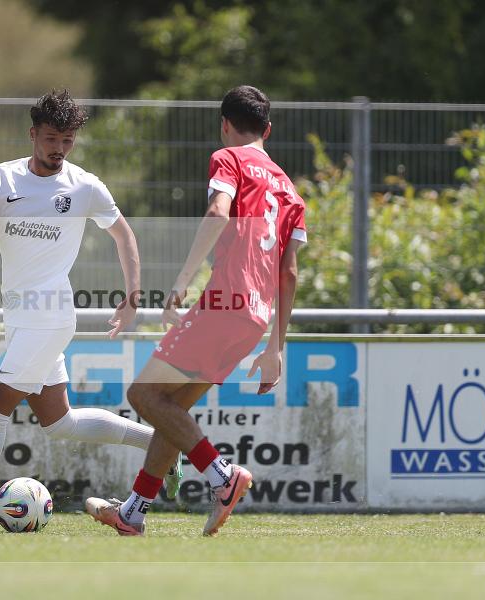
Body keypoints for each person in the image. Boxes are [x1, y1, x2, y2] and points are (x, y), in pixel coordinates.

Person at [0, 89, 180, 531]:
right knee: (60, 423)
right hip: (19, 318)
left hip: (50, 318)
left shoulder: (85, 186)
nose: (59, 149)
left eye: (68, 141)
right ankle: (163, 442)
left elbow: (124, 236)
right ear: (33, 134)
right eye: (52, 138)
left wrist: (133, 296)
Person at [86, 85, 307, 536]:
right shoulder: (290, 192)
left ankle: (223, 477)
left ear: (224, 124)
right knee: (172, 409)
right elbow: (290, 274)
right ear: (268, 129)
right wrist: (275, 348)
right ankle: (134, 511)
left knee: (144, 397)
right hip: (256, 318)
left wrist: (182, 282)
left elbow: (218, 212)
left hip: (226, 302)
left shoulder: (229, 159)